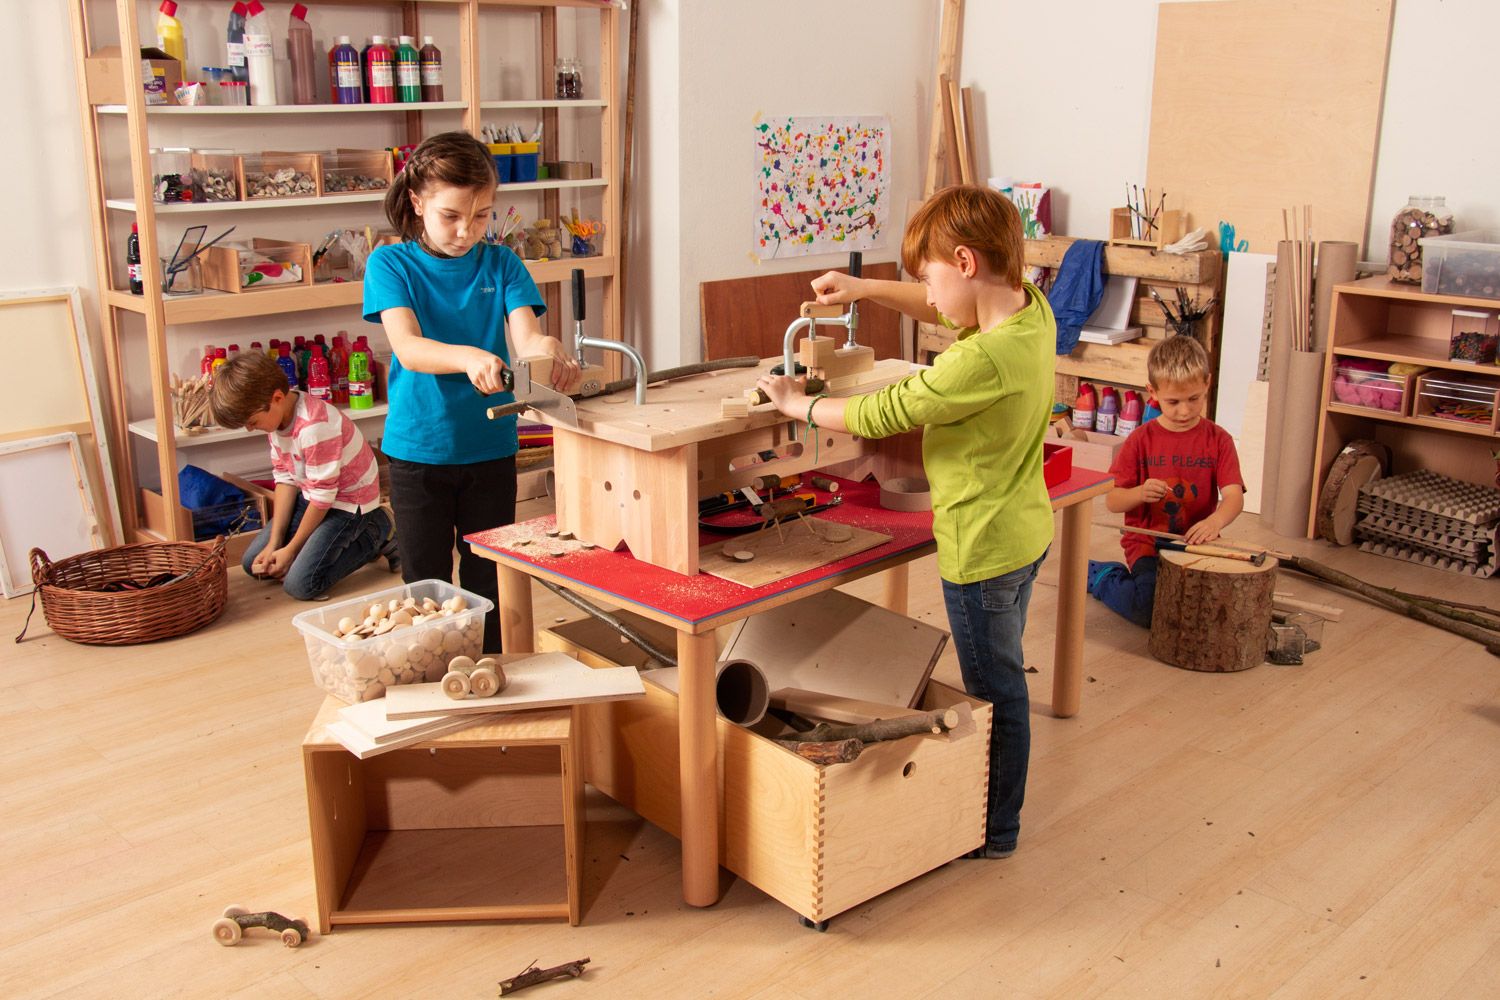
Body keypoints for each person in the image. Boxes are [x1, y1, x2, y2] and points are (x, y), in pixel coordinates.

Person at [756, 185, 1055, 860]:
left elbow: (877, 414)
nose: (927, 293)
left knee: (995, 694)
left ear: (967, 262)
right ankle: (996, 818)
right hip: (1024, 529)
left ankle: (995, 831)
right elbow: (944, 303)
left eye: (929, 274)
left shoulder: (979, 358)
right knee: (1004, 679)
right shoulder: (1029, 312)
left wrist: (796, 404)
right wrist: (866, 287)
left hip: (980, 550)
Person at [363, 131, 580, 652]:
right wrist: (469, 357)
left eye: (481, 215)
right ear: (417, 203)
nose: (466, 231)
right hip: (419, 452)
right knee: (425, 585)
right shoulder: (390, 265)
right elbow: (410, 348)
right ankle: (433, 675)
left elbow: (526, 340)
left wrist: (548, 351)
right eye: (451, 216)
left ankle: (491, 673)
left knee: (491, 579)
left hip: (489, 451)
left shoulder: (501, 263)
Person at [209, 352, 397, 600]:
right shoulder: (277, 417)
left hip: (350, 505)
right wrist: (276, 544)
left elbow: (324, 498)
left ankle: (380, 530)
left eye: (253, 422)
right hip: (315, 497)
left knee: (301, 585)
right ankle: (308, 552)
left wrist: (292, 549)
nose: (250, 429)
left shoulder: (315, 427)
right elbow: (285, 479)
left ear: (276, 398)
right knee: (252, 563)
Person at [1088, 334, 1246, 627]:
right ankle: (1104, 577)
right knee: (1150, 611)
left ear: (1207, 384)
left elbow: (1234, 498)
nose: (1184, 411)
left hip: (1196, 542)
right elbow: (1112, 501)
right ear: (1153, 392)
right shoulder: (1140, 440)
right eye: (1173, 401)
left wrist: (1215, 523)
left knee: (1210, 611)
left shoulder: (1219, 439)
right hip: (1147, 545)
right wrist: (1139, 493)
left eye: (1194, 399)